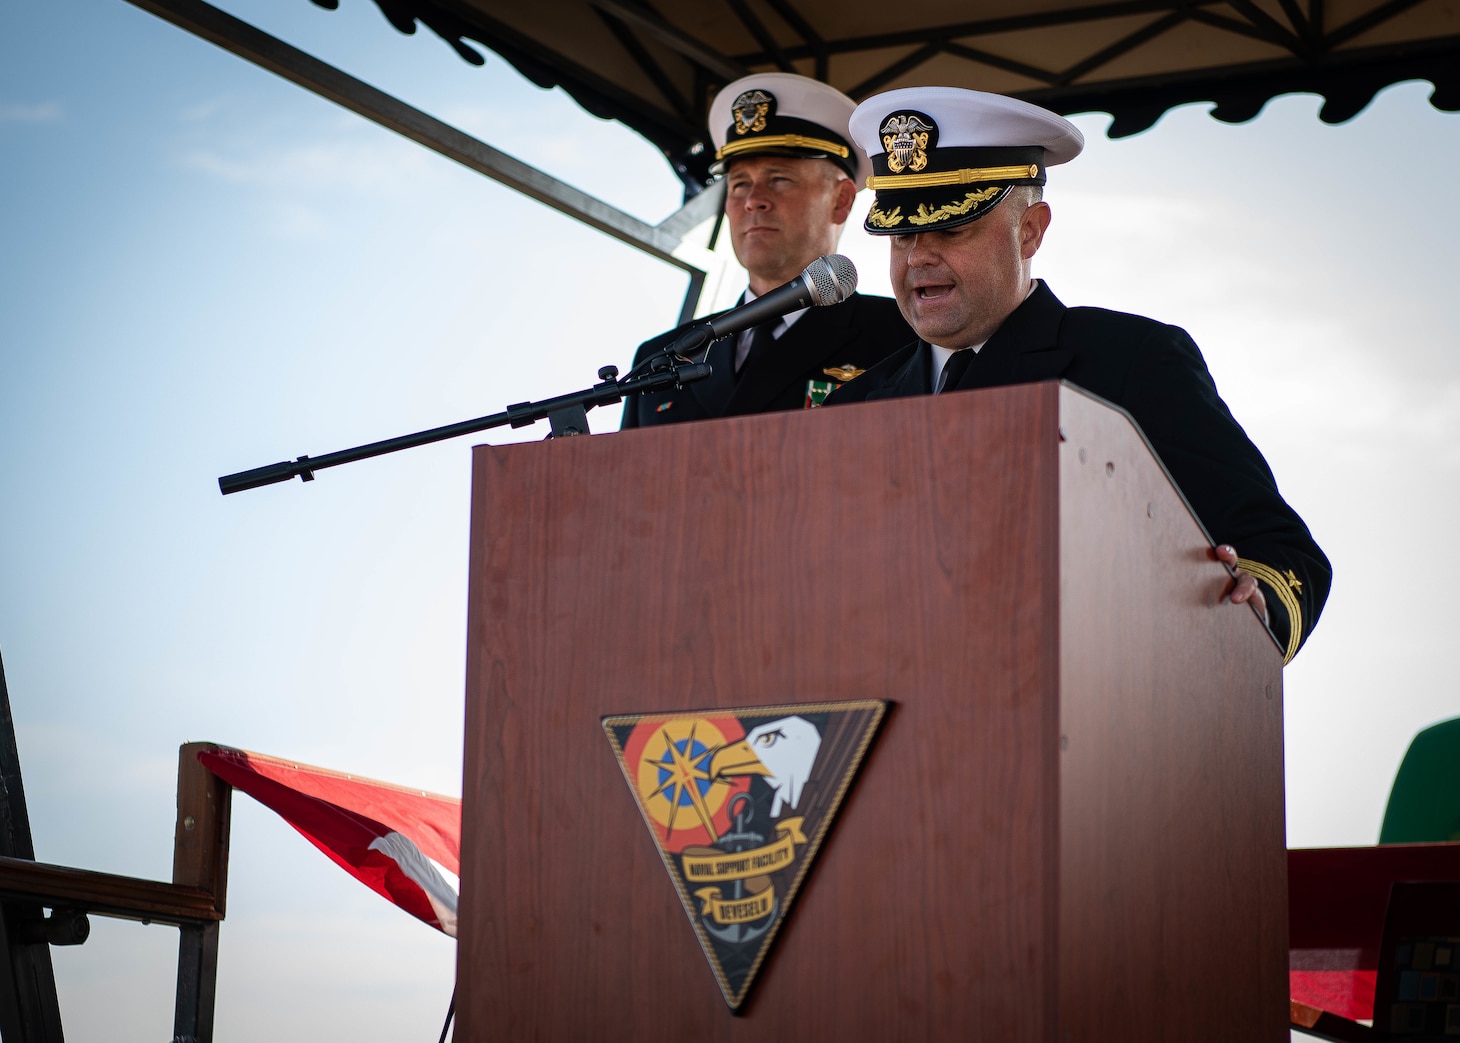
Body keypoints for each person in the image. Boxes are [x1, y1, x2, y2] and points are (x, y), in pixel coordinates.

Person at [827, 86, 1330, 662]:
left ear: (1031, 230)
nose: (917, 256)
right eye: (901, 234)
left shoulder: (1131, 361)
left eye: (949, 228)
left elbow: (1280, 552)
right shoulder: (855, 405)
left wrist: (1252, 607)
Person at [621, 73, 913, 428]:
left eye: (779, 180)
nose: (754, 201)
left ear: (841, 200)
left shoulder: (905, 336)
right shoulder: (663, 358)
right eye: (740, 185)